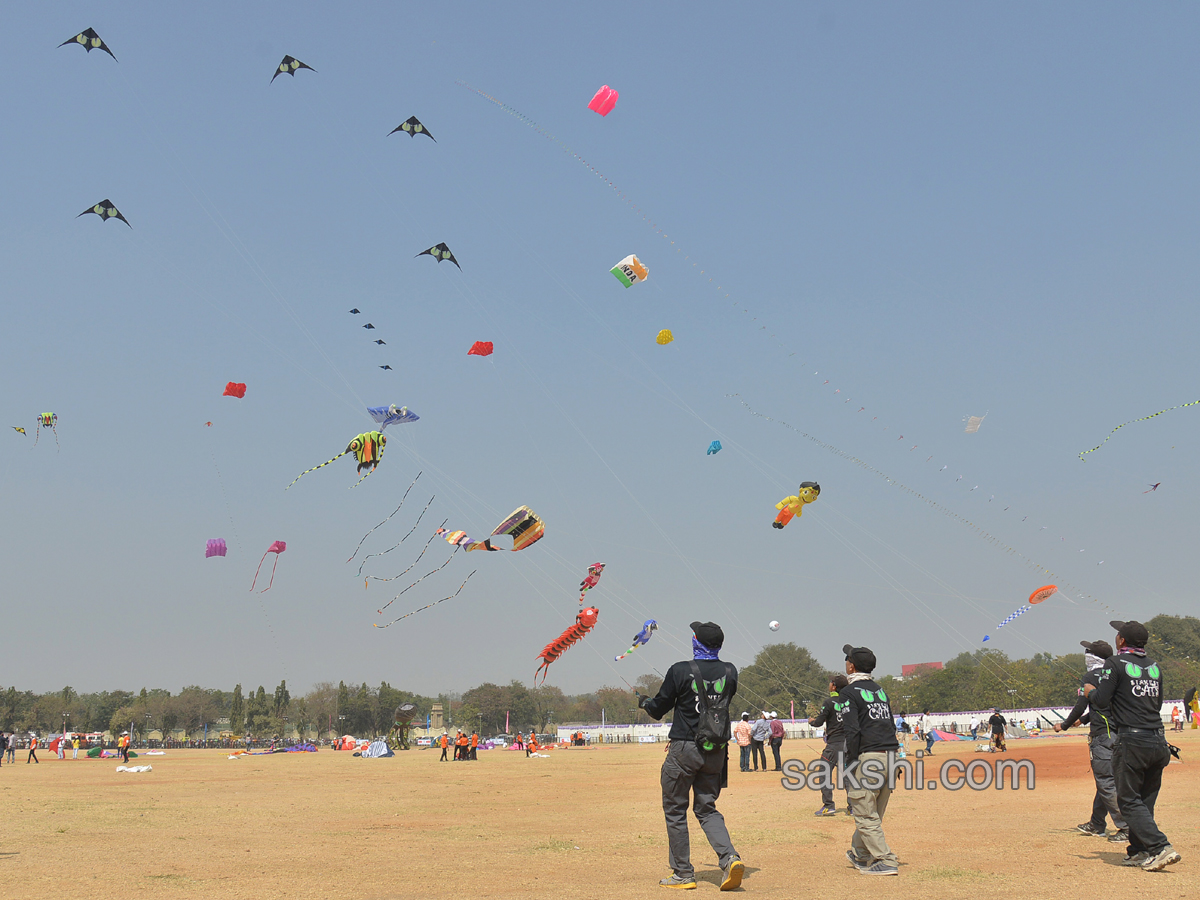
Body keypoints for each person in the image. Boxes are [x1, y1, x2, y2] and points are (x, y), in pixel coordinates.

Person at [636, 620, 744, 891]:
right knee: (707, 808)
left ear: (696, 641)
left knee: (675, 809)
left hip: (685, 748)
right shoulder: (731, 671)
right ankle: (729, 857)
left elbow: (658, 709)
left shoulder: (680, 670)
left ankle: (683, 873)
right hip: (716, 750)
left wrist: (645, 701)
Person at [1083, 620, 1179, 871]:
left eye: (1118, 634)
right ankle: (1139, 850)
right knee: (1144, 800)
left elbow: (1102, 701)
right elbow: (1156, 703)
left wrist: (1090, 692)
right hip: (1158, 738)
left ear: (1122, 641)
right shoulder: (1155, 666)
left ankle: (1160, 847)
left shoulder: (1115, 663)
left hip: (1132, 740)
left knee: (1127, 800)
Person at [1055, 638, 1127, 842]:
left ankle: (1125, 826)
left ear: (1092, 657)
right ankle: (1097, 823)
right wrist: (1084, 720)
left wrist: (1065, 725)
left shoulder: (1090, 676)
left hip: (1102, 736)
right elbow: (1104, 704)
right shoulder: (1117, 673)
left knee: (1105, 781)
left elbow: (1081, 704)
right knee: (1107, 780)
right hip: (1119, 733)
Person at [840, 644, 900, 876]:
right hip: (891, 756)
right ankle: (861, 854)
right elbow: (890, 725)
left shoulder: (848, 693)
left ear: (851, 666)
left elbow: (852, 731)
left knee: (864, 813)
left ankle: (886, 860)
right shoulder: (880, 690)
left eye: (847, 659)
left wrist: (851, 761)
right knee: (872, 812)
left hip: (869, 757)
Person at [810, 674, 850, 817]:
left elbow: (819, 722)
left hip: (833, 745)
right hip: (848, 744)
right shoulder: (850, 702)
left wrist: (812, 721)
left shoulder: (828, 702)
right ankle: (852, 807)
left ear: (833, 686)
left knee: (824, 772)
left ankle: (829, 805)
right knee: (848, 775)